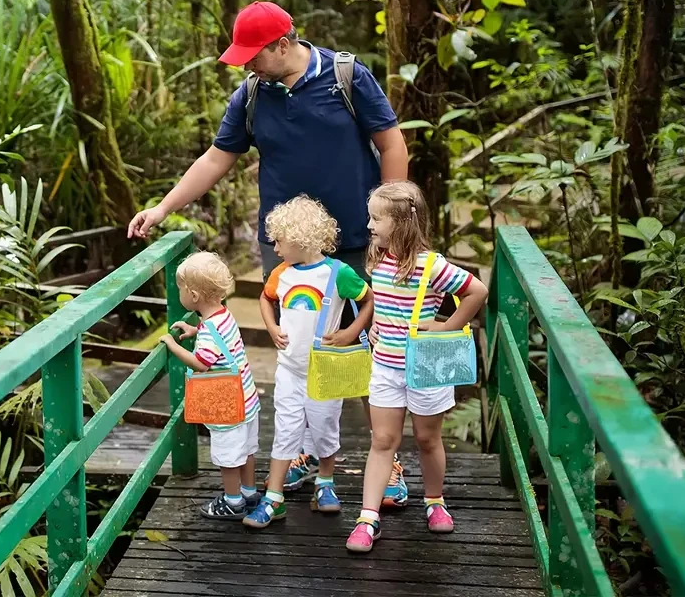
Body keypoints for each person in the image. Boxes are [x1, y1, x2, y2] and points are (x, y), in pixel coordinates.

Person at [128, 0, 411, 499]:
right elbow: (217, 158)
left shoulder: (347, 77)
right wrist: (163, 208)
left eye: (253, 55)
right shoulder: (252, 95)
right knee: (296, 349)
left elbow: (391, 144)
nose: (246, 65)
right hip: (287, 250)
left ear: (284, 45)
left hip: (356, 241)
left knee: (364, 345)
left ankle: (386, 462)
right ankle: (303, 452)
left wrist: (393, 223)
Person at [345, 182, 489, 553]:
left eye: (377, 218)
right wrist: (377, 324)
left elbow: (477, 291)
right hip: (386, 368)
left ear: (403, 223)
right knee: (382, 441)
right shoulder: (377, 257)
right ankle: (367, 517)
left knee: (427, 439)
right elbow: (384, 299)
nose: (370, 225)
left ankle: (434, 500)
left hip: (427, 365)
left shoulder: (433, 265)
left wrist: (447, 326)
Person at [243, 196, 373, 529]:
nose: (274, 246)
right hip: (288, 369)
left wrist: (351, 331)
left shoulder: (338, 273)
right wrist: (271, 326)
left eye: (279, 240)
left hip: (325, 370)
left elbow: (367, 299)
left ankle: (325, 484)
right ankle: (274, 497)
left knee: (326, 427)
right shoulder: (281, 274)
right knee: (285, 431)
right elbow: (265, 297)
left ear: (301, 239)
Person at [159, 251, 261, 520]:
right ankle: (249, 493)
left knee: (229, 457)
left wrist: (172, 346)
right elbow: (217, 338)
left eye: (180, 288)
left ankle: (233, 501)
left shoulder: (210, 329)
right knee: (247, 450)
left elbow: (201, 362)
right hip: (247, 399)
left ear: (193, 296)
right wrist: (197, 331)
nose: (178, 292)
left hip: (228, 407)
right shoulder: (223, 316)